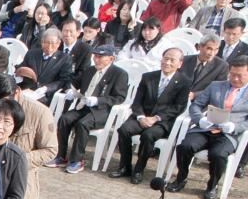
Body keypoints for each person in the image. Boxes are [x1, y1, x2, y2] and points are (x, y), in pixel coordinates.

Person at [170, 57, 248, 199]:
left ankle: (212, 185)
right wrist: (200, 119)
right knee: (185, 146)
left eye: (240, 76)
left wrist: (235, 127)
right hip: (206, 128)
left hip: (228, 134)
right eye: (232, 74)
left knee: (218, 155)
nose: (235, 79)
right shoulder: (216, 86)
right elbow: (196, 105)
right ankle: (180, 178)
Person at [109, 47, 190, 183]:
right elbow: (137, 102)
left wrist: (156, 118)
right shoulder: (148, 77)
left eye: (172, 60)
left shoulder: (183, 82)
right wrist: (141, 117)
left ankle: (139, 169)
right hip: (142, 116)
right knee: (124, 130)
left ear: (180, 64)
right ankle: (125, 166)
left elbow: (178, 108)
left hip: (162, 121)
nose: (168, 62)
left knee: (148, 136)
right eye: (165, 58)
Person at [47, 43, 129, 174]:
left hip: (102, 111)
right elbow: (75, 83)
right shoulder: (90, 70)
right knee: (64, 119)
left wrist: (98, 100)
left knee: (83, 123)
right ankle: (61, 155)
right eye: (95, 56)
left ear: (111, 59)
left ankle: (77, 160)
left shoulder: (119, 74)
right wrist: (71, 90)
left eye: (100, 57)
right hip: (84, 106)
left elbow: (119, 97)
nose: (96, 59)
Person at [15, 28, 74, 103]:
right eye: (47, 42)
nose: (50, 46)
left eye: (53, 43)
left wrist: (46, 88)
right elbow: (22, 68)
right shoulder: (32, 53)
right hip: (27, 89)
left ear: (58, 43)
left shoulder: (64, 59)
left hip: (46, 94)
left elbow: (62, 80)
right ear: (42, 42)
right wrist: (18, 72)